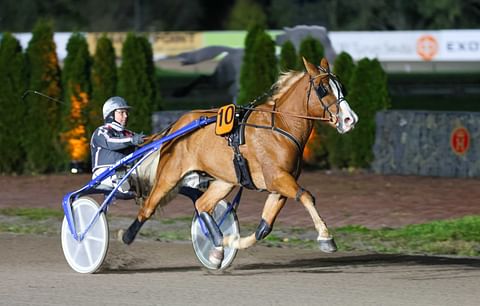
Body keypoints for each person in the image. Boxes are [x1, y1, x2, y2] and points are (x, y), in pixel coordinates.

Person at [90, 96, 144, 192]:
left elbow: (144, 141)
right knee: (124, 177)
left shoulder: (128, 133)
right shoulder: (101, 131)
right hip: (104, 173)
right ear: (111, 114)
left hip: (125, 170)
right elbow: (111, 142)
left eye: (126, 113)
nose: (126, 116)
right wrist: (132, 140)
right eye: (121, 112)